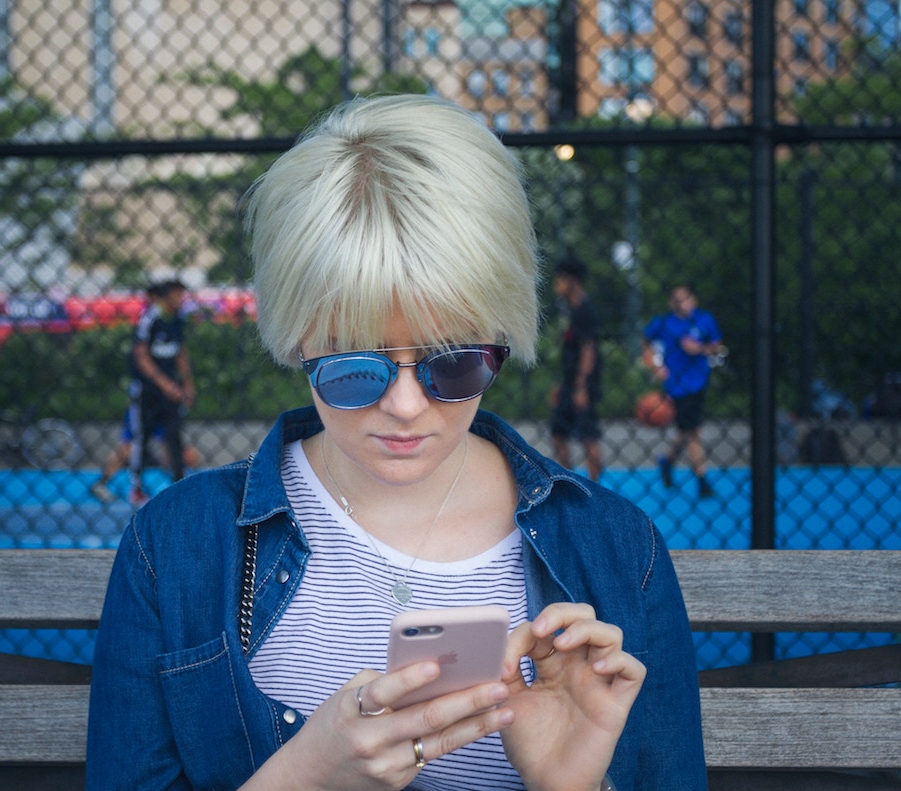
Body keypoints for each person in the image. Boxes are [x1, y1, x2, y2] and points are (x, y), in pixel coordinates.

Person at [87, 95, 706, 790]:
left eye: (454, 362)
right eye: (356, 369)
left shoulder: (621, 550)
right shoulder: (174, 544)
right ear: (297, 338)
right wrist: (307, 772)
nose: (406, 406)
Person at [642, 285, 723, 498]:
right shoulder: (663, 322)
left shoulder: (704, 320)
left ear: (693, 300)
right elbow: (646, 341)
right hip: (675, 384)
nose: (681, 303)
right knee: (693, 430)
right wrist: (655, 366)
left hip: (698, 381)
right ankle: (702, 480)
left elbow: (717, 345)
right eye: (676, 300)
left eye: (685, 299)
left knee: (686, 429)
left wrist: (700, 349)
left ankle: (667, 462)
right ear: (671, 303)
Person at [127, 279, 196, 507]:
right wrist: (165, 384)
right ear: (165, 297)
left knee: (174, 437)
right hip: (147, 391)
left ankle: (179, 484)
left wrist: (186, 384)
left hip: (170, 393)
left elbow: (181, 353)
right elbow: (141, 356)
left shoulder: (177, 320)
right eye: (176, 295)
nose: (180, 300)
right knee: (142, 437)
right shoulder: (149, 318)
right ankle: (136, 487)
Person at [548, 257, 603, 481]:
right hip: (571, 383)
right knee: (558, 432)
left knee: (588, 436)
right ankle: (571, 480)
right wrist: (563, 384)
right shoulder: (572, 310)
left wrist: (581, 387)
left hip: (583, 385)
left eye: (560, 279)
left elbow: (588, 350)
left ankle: (595, 487)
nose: (556, 284)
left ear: (572, 280)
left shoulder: (585, 311)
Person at [90, 408, 200, 503]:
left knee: (187, 455)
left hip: (165, 407)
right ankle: (103, 483)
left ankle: (182, 485)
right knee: (129, 446)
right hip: (146, 403)